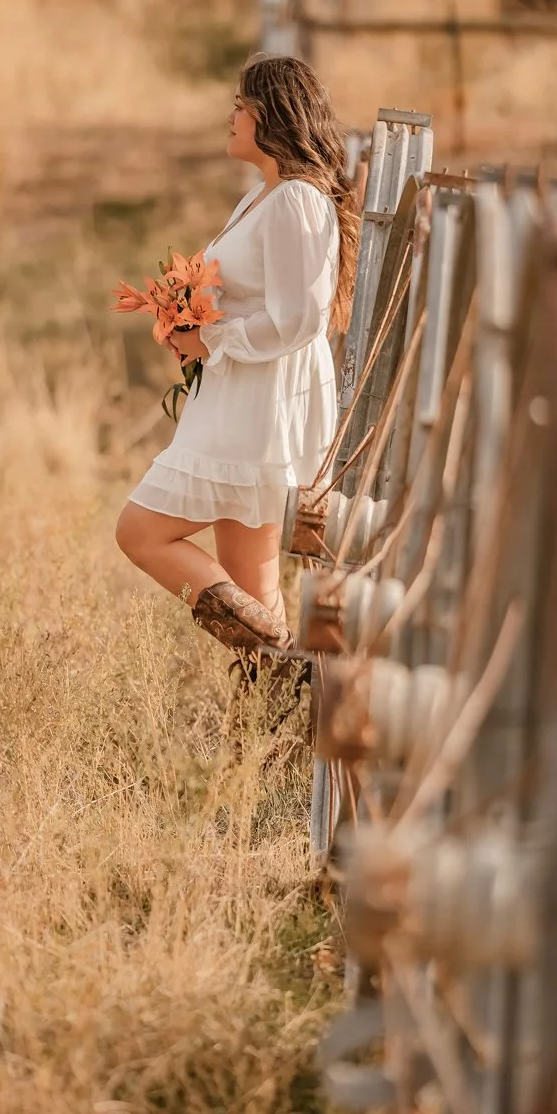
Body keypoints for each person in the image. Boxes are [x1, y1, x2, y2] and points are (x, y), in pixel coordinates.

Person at [115, 54, 359, 676]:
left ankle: (287, 665)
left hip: (258, 409)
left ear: (272, 116)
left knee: (140, 532)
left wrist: (212, 339)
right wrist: (184, 319)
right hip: (239, 399)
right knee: (255, 596)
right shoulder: (264, 198)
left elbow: (299, 317)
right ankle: (266, 742)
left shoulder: (296, 202)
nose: (231, 116)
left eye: (241, 106)